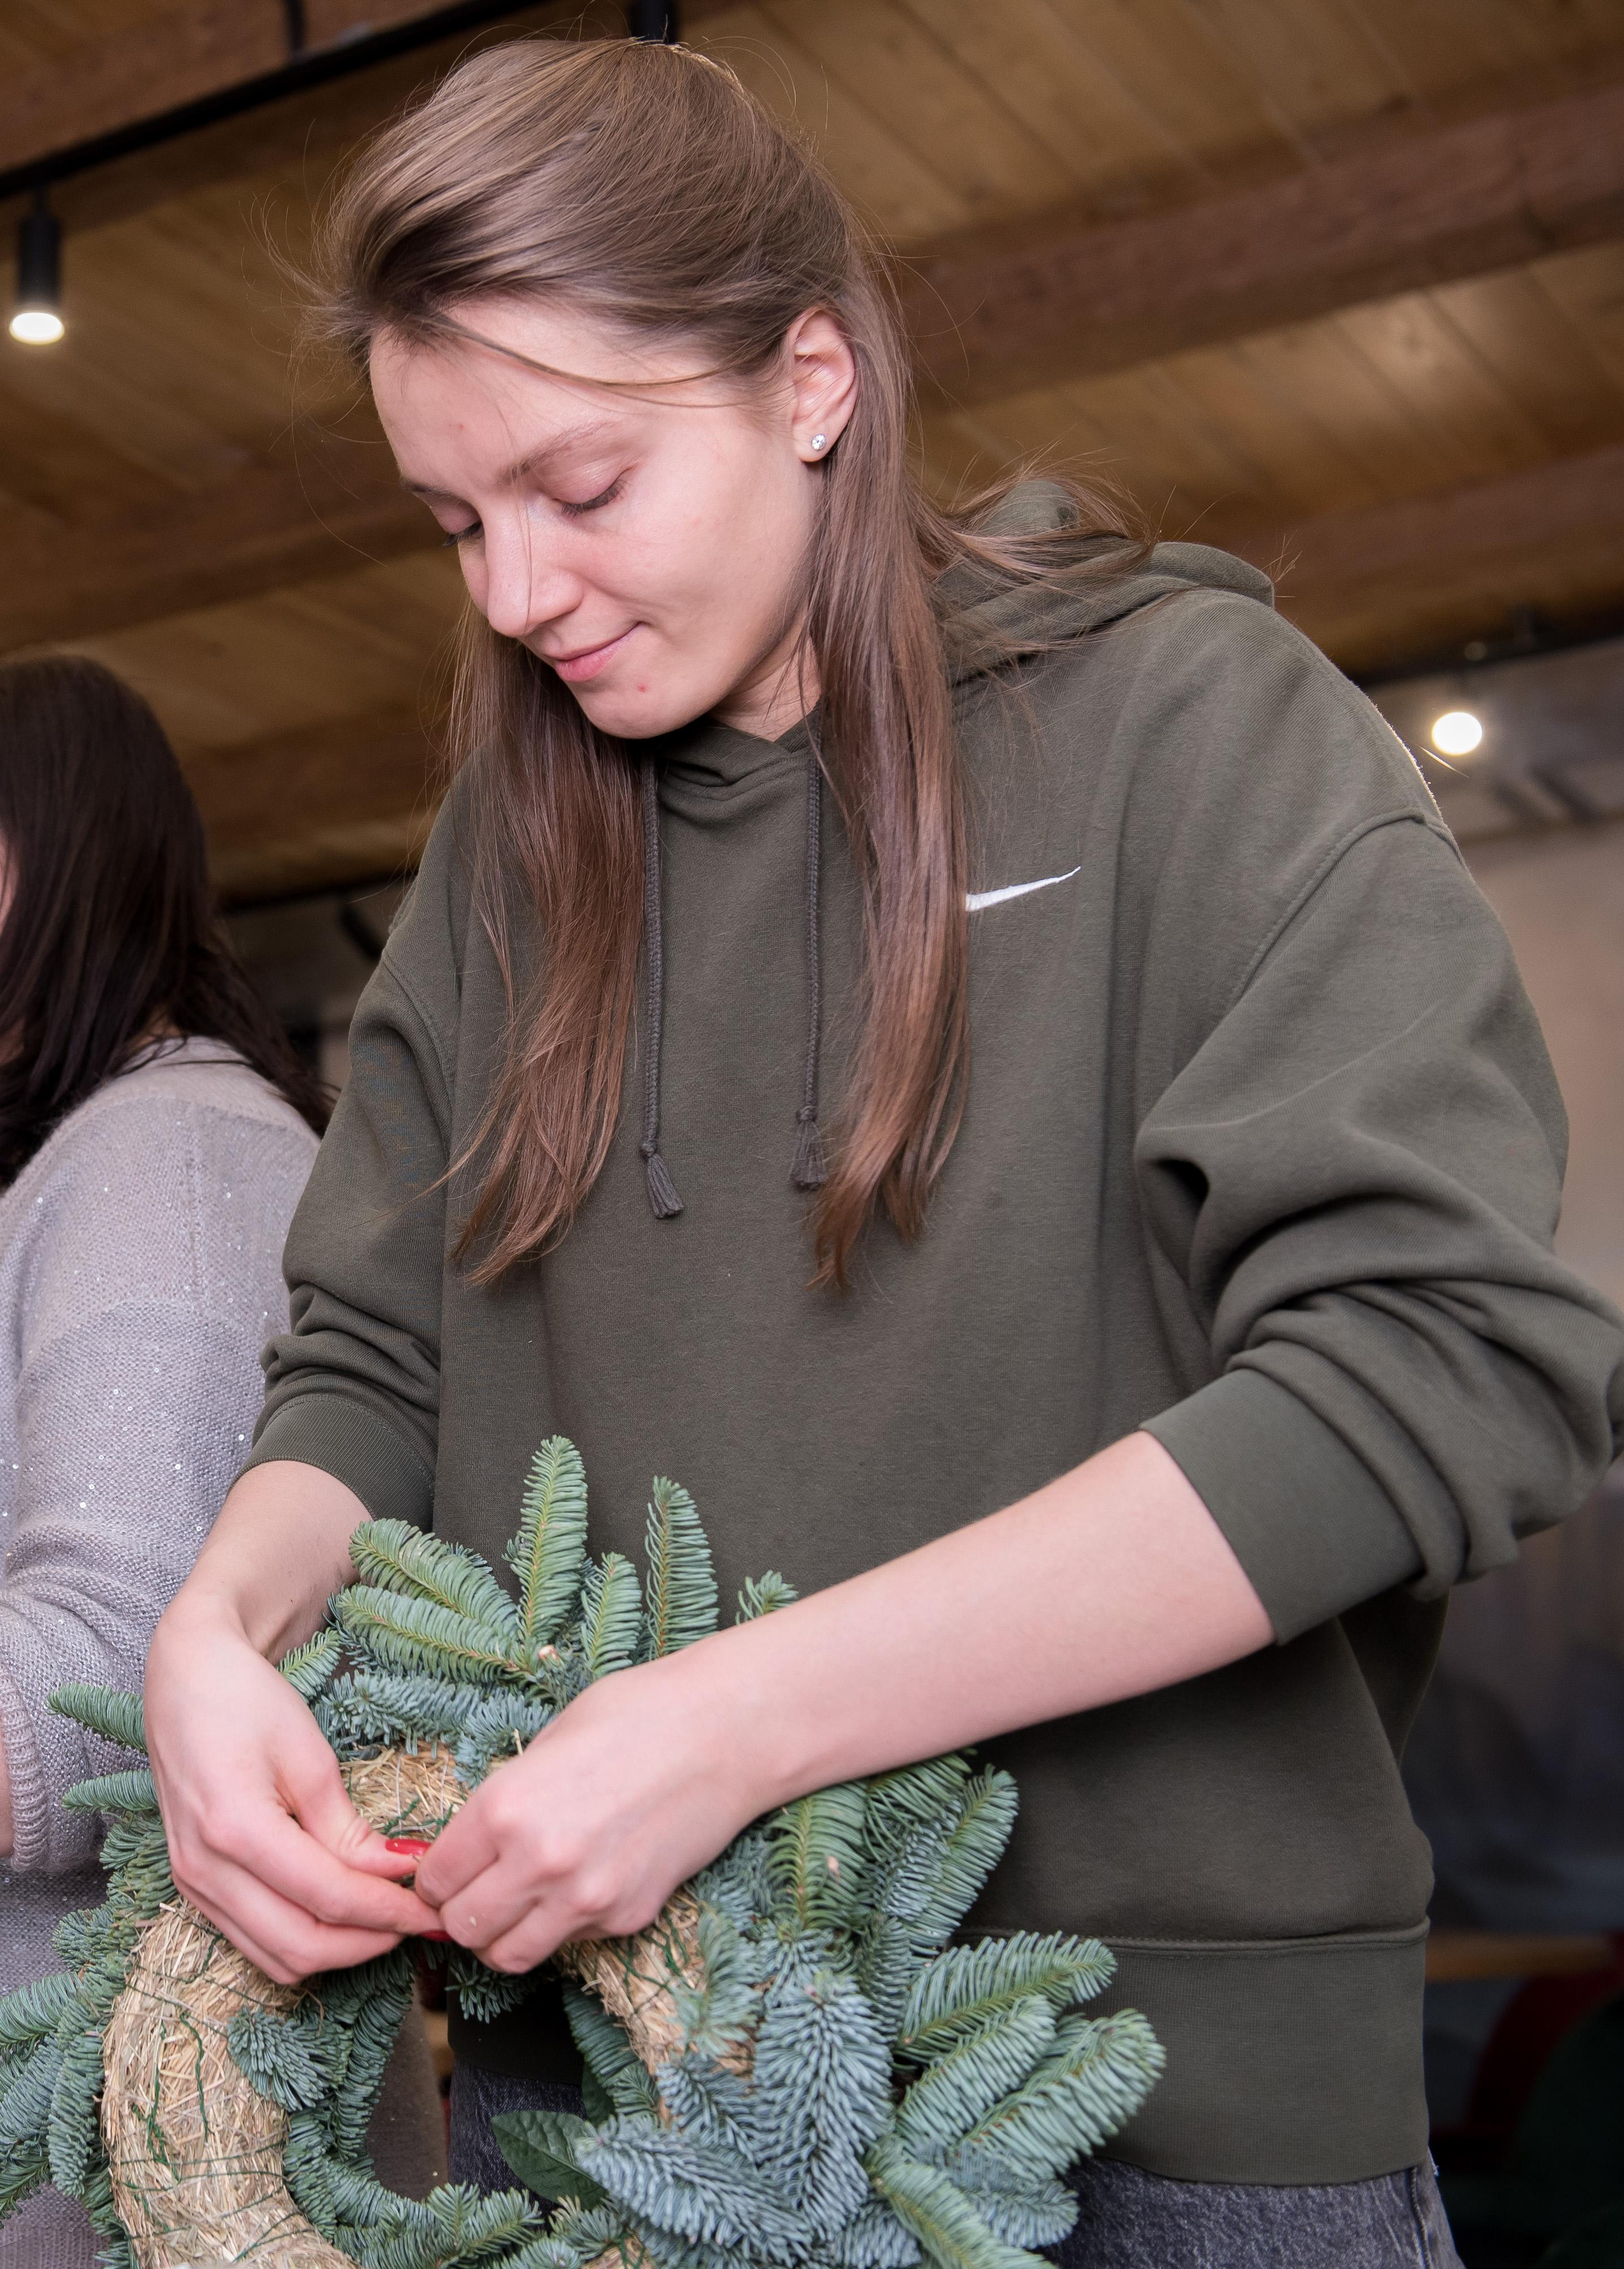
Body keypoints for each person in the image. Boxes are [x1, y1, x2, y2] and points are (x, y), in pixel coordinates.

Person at [143, 41, 1623, 2269]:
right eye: (458, 521)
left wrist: (733, 1723)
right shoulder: (505, 858)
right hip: (628, 2128)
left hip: (1171, 2128)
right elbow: (371, 1360)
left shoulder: (1190, 723)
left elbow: (1442, 1365)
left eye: (584, 484)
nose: (515, 594)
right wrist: (218, 1623)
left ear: (811, 380)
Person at [0, 658, 441, 2268]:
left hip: (118, 2176)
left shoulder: (167, 1164)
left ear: (59, 864)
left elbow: (110, 1685)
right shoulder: (92, 1163)